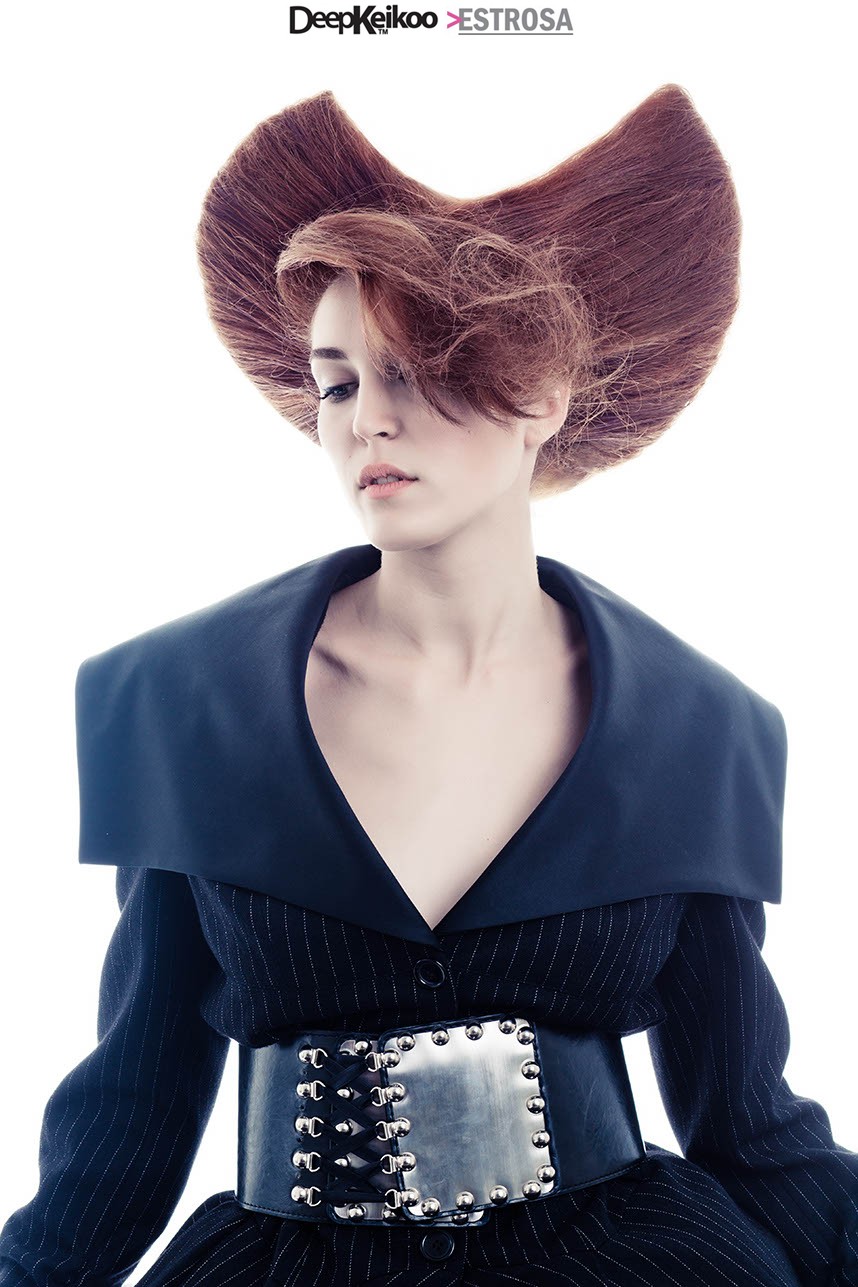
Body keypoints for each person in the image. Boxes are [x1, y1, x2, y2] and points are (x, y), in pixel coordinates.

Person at [1, 84, 856, 1287]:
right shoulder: (178, 702)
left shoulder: (702, 729)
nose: (369, 424)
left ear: (545, 397)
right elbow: (135, 1104)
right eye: (338, 381)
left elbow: (748, 1123)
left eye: (414, 369)